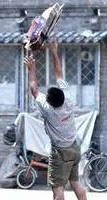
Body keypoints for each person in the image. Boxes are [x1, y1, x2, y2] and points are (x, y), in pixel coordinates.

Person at [24, 42, 87, 200]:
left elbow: (34, 89)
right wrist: (54, 52)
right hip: (74, 147)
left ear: (50, 102)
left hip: (60, 153)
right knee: (75, 182)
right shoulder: (68, 98)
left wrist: (31, 69)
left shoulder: (49, 110)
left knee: (58, 190)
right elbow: (59, 74)